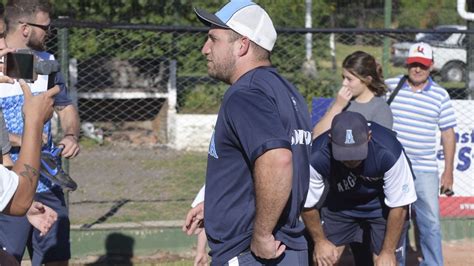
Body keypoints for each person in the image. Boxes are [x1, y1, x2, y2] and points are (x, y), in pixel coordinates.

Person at [183, 1, 312, 265]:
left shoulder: (246, 94)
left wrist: (262, 233)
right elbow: (258, 166)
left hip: (252, 253)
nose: (204, 49)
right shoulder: (285, 91)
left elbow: (278, 160)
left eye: (213, 39)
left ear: (242, 45)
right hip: (288, 248)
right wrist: (220, 205)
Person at [0, 0, 81, 265]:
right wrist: (24, 138)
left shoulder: (48, 63)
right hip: (9, 185)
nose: (50, 32)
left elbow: (65, 107)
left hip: (46, 182)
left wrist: (71, 135)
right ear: (25, 28)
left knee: (56, 260)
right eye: (46, 27)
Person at [302, 111, 417, 266]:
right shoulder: (317, 156)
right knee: (324, 259)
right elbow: (307, 203)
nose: (351, 159)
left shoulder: (388, 151)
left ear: (369, 137)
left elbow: (399, 205)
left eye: (356, 152)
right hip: (340, 206)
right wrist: (320, 241)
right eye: (344, 153)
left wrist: (388, 252)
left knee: (386, 263)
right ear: (331, 140)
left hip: (382, 208)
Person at [312, 51, 393, 265]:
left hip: (371, 196)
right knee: (330, 255)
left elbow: (380, 150)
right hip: (341, 195)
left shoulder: (380, 109)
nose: (344, 83)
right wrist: (338, 106)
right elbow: (316, 137)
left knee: (368, 256)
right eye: (343, 77)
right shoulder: (342, 104)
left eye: (349, 78)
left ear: (366, 79)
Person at [385, 42, 456, 266]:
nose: (417, 69)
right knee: (397, 220)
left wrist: (448, 173)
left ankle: (433, 263)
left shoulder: (440, 95)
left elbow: (448, 134)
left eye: (422, 65)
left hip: (425, 168)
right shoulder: (391, 86)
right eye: (413, 64)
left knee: (431, 223)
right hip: (395, 166)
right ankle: (398, 261)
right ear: (407, 65)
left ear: (431, 66)